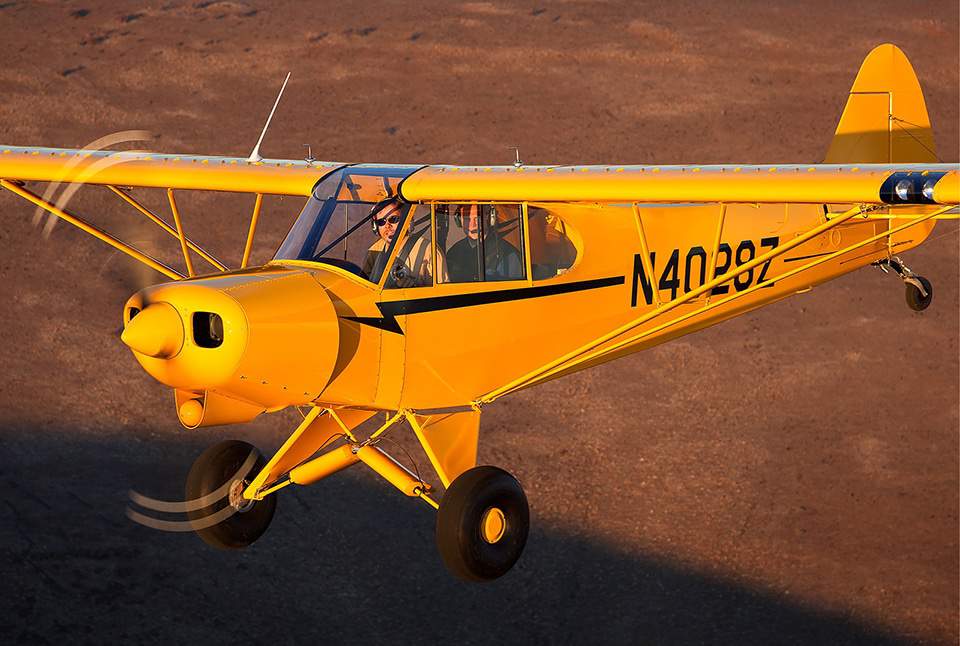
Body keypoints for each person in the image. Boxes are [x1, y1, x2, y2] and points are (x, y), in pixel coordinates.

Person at [445, 204, 522, 282]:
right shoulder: (453, 253)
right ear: (458, 220)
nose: (471, 226)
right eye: (467, 219)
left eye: (477, 218)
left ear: (489, 218)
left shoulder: (507, 254)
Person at [361, 200, 403, 280]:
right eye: (381, 222)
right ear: (375, 227)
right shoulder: (373, 252)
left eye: (393, 219)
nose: (387, 226)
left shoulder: (427, 250)